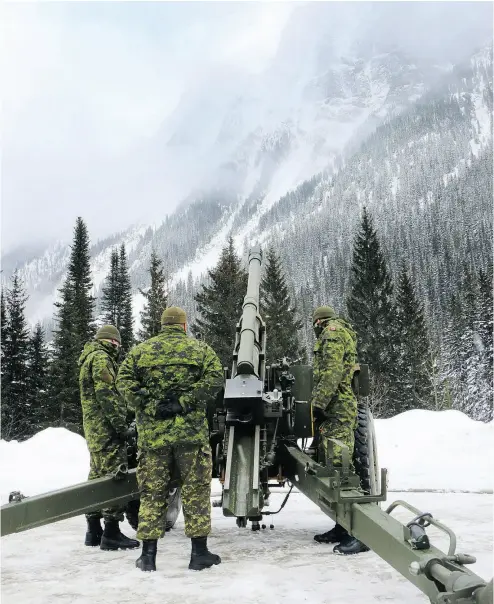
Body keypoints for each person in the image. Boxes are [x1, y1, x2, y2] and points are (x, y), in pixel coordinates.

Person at [116, 306, 224, 572]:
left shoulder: (141, 352)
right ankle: (199, 554)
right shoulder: (201, 350)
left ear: (162, 325)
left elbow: (123, 382)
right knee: (196, 491)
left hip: (153, 439)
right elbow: (215, 379)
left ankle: (148, 556)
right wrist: (184, 402)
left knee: (152, 494)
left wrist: (151, 404)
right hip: (191, 437)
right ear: (184, 326)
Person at [310, 306, 369, 555]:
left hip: (338, 407)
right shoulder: (339, 332)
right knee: (335, 468)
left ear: (319, 322)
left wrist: (317, 403)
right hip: (337, 407)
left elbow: (332, 372)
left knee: (342, 468)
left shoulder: (331, 334)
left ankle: (361, 533)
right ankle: (342, 525)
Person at [78, 325, 140, 551]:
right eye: (118, 344)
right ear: (112, 342)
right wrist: (121, 426)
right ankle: (112, 532)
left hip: (93, 429)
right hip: (106, 429)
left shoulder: (88, 358)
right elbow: (107, 396)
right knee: (115, 476)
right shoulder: (102, 359)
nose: (119, 348)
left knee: (95, 475)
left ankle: (93, 529)